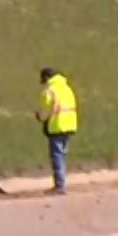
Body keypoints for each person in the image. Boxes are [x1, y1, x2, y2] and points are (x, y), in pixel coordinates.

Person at [35, 67, 79, 195]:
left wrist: (40, 117)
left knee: (57, 156)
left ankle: (60, 186)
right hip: (70, 124)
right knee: (62, 154)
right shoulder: (67, 88)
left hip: (57, 126)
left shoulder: (50, 91)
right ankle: (61, 183)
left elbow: (46, 110)